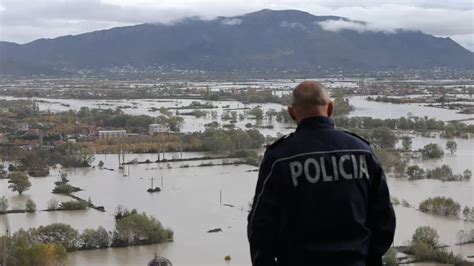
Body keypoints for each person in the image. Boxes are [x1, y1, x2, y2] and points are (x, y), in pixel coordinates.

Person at [247, 81, 396, 266]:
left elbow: (260, 226)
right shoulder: (363, 151)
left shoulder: (279, 158)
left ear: (292, 113)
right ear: (331, 108)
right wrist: (368, 259)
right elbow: (384, 220)